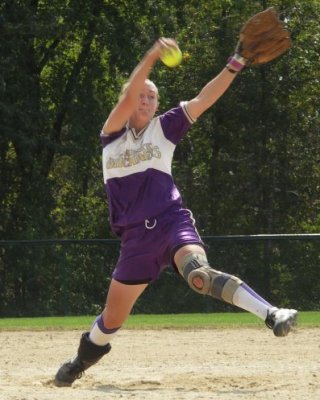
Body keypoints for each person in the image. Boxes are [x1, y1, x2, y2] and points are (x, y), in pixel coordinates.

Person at [54, 37, 297, 387]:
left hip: (171, 222)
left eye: (153, 96)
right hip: (135, 240)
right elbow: (127, 95)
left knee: (200, 276)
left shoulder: (164, 129)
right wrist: (151, 56)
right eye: (143, 94)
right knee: (111, 321)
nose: (148, 99)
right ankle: (79, 362)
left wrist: (236, 62)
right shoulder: (111, 135)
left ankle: (272, 314)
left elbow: (203, 99)